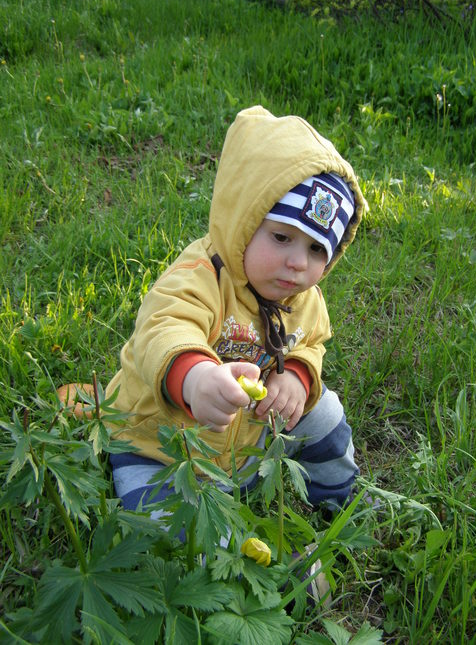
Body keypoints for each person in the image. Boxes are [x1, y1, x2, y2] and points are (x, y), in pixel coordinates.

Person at [105, 105, 367, 516]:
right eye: (281, 237)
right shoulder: (200, 276)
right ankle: (216, 545)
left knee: (325, 413)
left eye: (317, 248)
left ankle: (338, 502)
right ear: (242, 223)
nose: (298, 263)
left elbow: (312, 341)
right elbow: (164, 327)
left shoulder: (303, 296)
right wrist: (195, 379)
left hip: (250, 440)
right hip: (162, 447)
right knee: (173, 530)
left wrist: (297, 375)